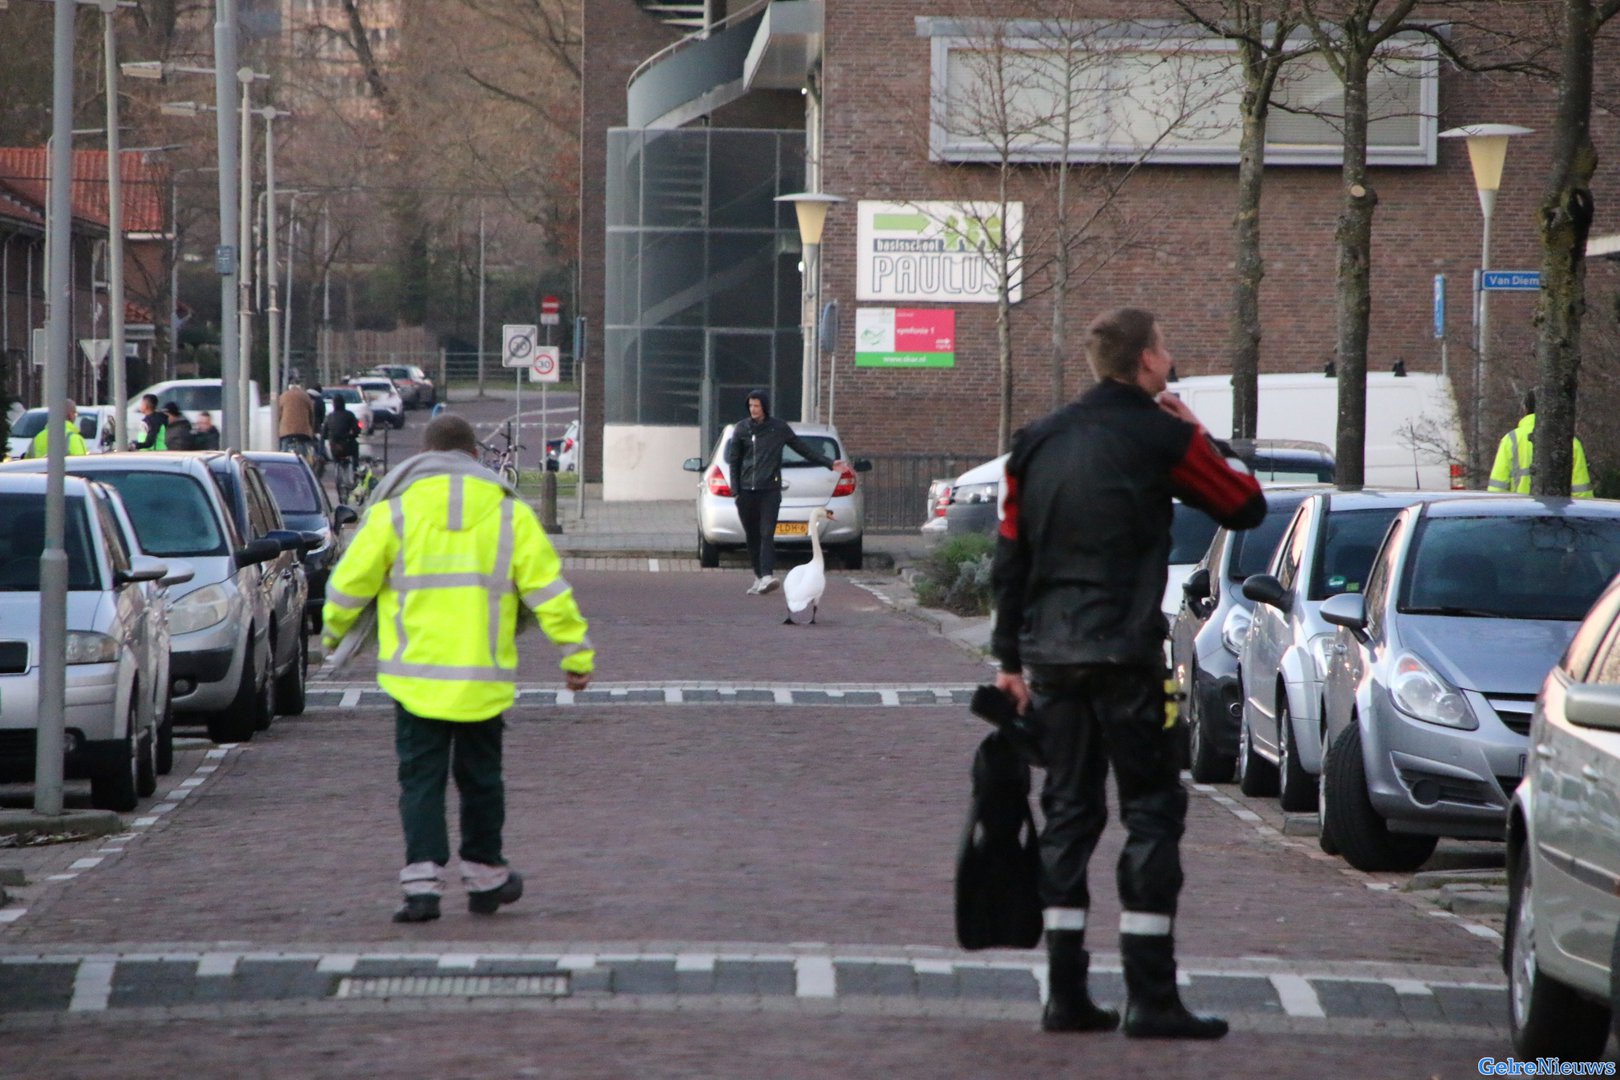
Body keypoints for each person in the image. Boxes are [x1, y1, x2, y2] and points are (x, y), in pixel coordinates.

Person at [991, 307, 1265, 1040]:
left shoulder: (1035, 443)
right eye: (1166, 349)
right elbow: (1243, 505)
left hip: (1051, 657)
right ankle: (1150, 997)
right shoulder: (1163, 436)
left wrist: (1007, 660)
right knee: (1151, 812)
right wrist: (1195, 431)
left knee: (1069, 814)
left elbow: (1009, 556)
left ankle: (1065, 994)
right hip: (1126, 657)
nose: (1169, 360)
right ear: (1146, 361)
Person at [320, 413, 595, 924]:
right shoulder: (509, 515)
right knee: (482, 780)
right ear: (475, 456)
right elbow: (549, 590)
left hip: (414, 678)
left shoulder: (393, 514)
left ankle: (421, 885)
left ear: (423, 457)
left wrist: (333, 636)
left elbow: (346, 586)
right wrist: (575, 656)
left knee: (420, 780)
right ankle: (485, 873)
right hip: (481, 679)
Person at [723, 388, 847, 595]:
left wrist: (829, 463)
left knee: (766, 533)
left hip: (770, 490)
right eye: (751, 406)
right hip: (746, 492)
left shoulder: (778, 428)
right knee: (752, 536)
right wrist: (736, 490)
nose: (753, 409)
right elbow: (734, 461)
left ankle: (767, 576)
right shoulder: (741, 429)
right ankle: (758, 576)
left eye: (757, 405)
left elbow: (802, 449)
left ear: (765, 407)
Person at [1488, 389, 1594, 497]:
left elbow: (1497, 489)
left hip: (1519, 511)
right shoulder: (1571, 442)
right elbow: (1582, 493)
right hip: (1558, 511)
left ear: (1526, 408)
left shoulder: (1511, 439)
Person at [278, 380, 318, 454]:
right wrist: (311, 429)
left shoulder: (284, 396)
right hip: (303, 431)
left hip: (286, 431)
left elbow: (278, 414)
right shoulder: (306, 396)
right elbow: (312, 414)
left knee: (284, 450)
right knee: (304, 451)